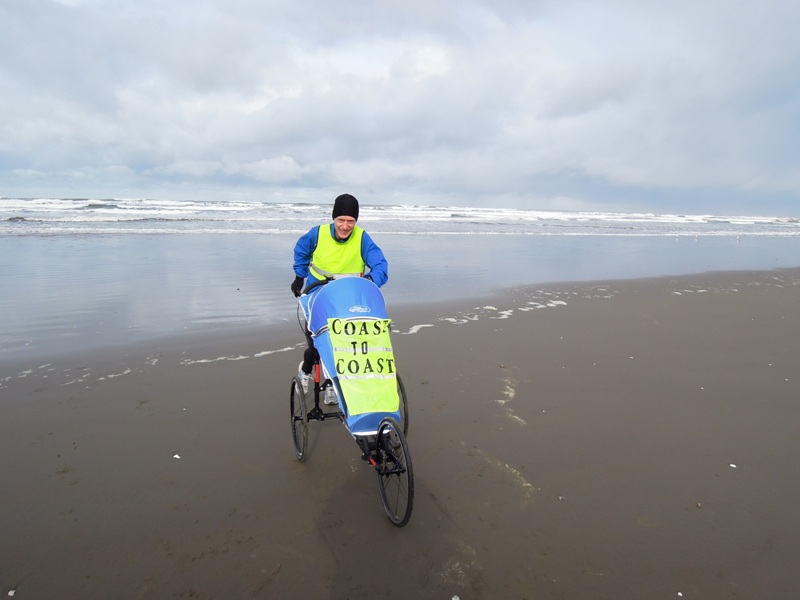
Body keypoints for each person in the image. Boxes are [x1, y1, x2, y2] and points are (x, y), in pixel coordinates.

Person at [291, 193, 388, 402]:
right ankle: (306, 369)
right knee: (318, 346)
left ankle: (332, 384)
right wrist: (299, 276)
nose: (345, 226)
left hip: (348, 297)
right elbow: (301, 250)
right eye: (341, 220)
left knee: (346, 345)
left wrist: (371, 281)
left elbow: (381, 265)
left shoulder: (362, 238)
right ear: (334, 218)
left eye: (350, 221)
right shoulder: (317, 234)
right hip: (318, 295)